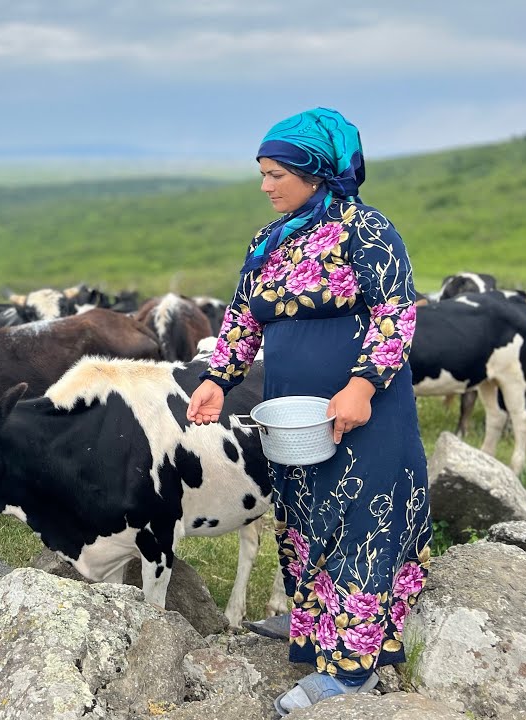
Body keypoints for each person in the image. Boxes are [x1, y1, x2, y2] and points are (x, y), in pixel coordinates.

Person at [185, 108, 432, 715]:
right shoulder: (269, 241)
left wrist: (364, 385)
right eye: (261, 174)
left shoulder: (366, 231)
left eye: (274, 174)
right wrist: (219, 377)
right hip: (296, 418)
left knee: (360, 523)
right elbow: (243, 319)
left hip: (365, 411)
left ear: (313, 171)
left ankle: (351, 672)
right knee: (304, 519)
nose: (265, 186)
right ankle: (313, 630)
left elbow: (396, 314)